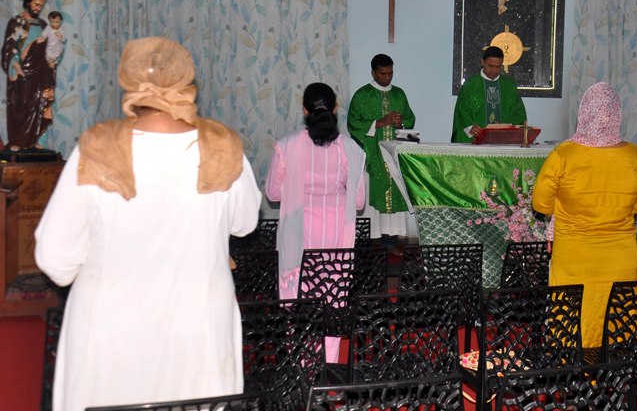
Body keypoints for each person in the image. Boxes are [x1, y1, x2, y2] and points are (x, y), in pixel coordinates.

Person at [34, 37, 261, 411]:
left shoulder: (96, 147)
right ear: (188, 82)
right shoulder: (223, 145)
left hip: (110, 332)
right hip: (198, 331)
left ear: (129, 84)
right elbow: (245, 222)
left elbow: (55, 258)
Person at [531, 82, 637, 350]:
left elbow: (541, 204)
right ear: (617, 115)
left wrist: (566, 207)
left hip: (574, 253)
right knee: (616, 315)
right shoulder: (636, 156)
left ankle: (570, 365)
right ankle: (616, 364)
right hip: (620, 255)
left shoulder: (564, 155)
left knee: (571, 315)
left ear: (584, 113)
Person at [265, 82, 366, 362]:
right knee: (332, 302)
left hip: (298, 238)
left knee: (296, 301)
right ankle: (327, 365)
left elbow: (273, 194)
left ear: (304, 110)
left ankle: (301, 364)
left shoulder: (286, 145)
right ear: (335, 108)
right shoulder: (351, 149)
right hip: (336, 240)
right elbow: (359, 202)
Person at [347, 54, 416, 245]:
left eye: (390, 73)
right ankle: (373, 240)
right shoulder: (362, 95)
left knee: (396, 191)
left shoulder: (399, 94)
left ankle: (392, 238)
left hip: (393, 155)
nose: (387, 77)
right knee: (374, 195)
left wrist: (401, 122)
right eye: (383, 74)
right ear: (373, 73)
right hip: (373, 155)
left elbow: (410, 119)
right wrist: (380, 122)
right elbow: (353, 123)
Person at [0, 0, 57, 150]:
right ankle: (18, 141)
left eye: (41, 6)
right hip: (22, 70)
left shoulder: (43, 25)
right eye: (36, 4)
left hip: (40, 71)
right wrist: (14, 61)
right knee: (22, 105)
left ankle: (33, 140)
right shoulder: (17, 21)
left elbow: (50, 46)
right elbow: (10, 45)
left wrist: (52, 58)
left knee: (39, 104)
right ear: (28, 2)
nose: (38, 8)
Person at [451, 45, 527, 143]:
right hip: (475, 140)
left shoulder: (509, 86)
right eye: (490, 66)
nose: (494, 70)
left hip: (503, 141)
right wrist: (471, 127)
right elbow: (462, 113)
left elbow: (519, 114)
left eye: (498, 67)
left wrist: (506, 126)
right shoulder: (470, 85)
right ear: (482, 62)